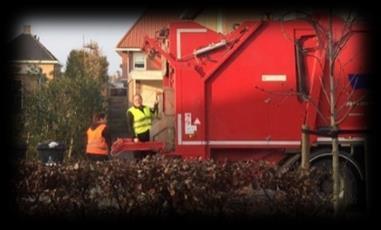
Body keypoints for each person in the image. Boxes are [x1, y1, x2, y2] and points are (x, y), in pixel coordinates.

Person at [127, 94, 158, 159]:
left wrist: (156, 104)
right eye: (136, 100)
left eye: (139, 99)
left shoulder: (147, 108)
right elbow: (130, 125)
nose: (137, 101)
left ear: (141, 100)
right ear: (133, 101)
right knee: (139, 155)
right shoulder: (131, 111)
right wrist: (134, 137)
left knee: (147, 154)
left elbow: (153, 112)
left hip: (148, 134)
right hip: (138, 136)